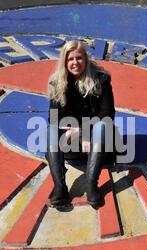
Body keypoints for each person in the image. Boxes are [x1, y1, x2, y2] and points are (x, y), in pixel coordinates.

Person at [46, 40, 115, 208]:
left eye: (79, 58)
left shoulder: (101, 79)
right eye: (70, 59)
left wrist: (83, 131)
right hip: (71, 142)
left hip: (96, 140)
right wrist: (74, 132)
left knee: (102, 125)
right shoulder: (57, 82)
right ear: (64, 61)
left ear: (86, 59)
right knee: (51, 130)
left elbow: (107, 114)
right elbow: (53, 117)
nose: (75, 63)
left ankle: (91, 184)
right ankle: (60, 186)